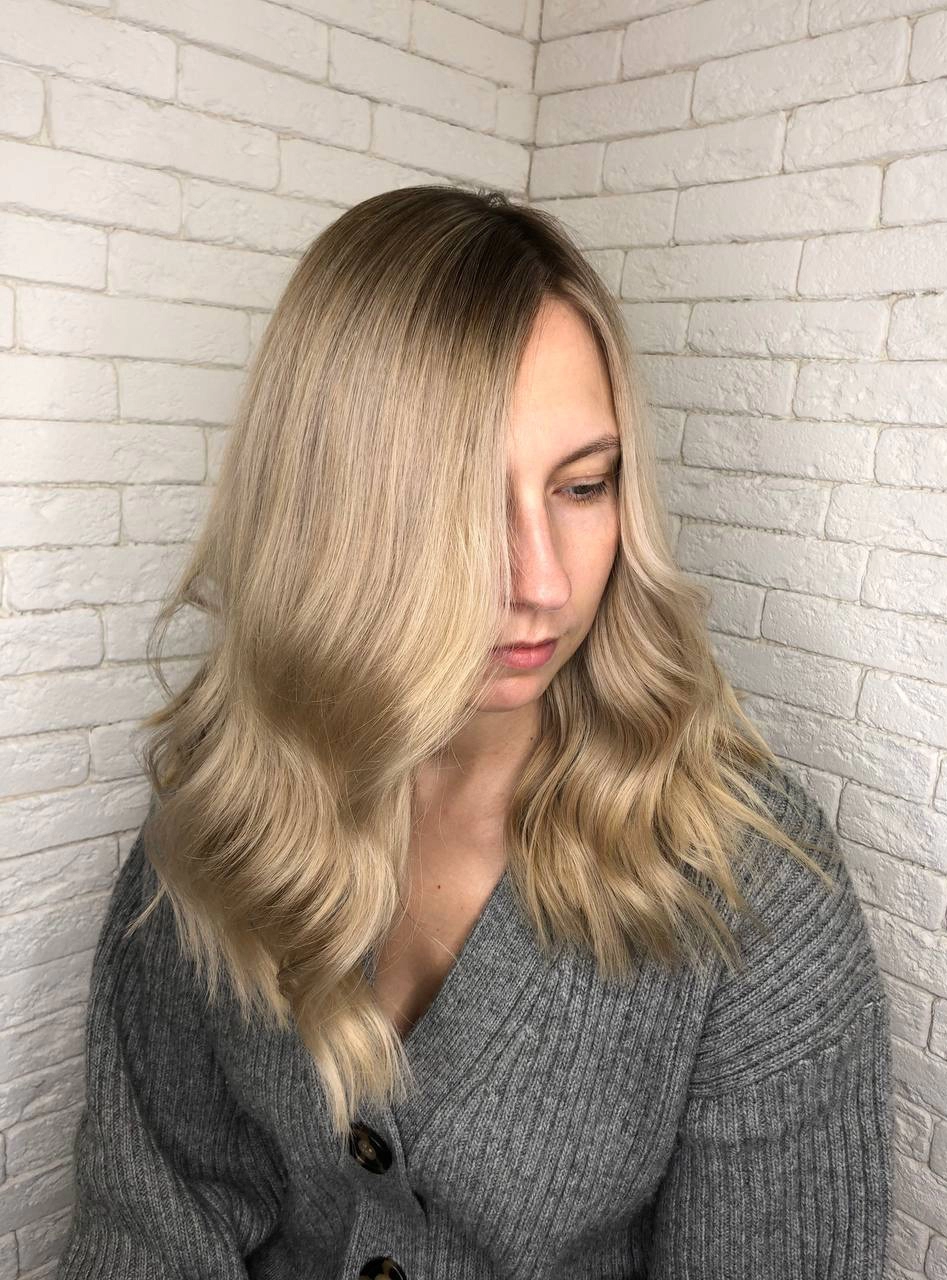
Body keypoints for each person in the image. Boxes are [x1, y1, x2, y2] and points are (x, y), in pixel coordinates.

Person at [57, 184, 894, 1279]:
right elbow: (152, 1218)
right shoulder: (229, 812)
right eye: (459, 503)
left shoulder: (748, 893)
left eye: (583, 486)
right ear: (327, 510)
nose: (542, 582)